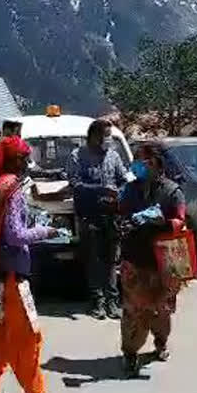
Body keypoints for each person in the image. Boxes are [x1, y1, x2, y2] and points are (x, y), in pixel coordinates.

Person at [0, 136, 72, 393]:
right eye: (25, 158)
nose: (28, 163)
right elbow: (15, 235)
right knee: (27, 338)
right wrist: (45, 232)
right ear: (15, 161)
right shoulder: (11, 188)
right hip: (13, 276)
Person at [118, 143, 187, 378]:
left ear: (156, 164)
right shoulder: (129, 189)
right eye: (135, 160)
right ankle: (129, 353)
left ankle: (160, 343)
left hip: (163, 261)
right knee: (132, 311)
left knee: (161, 309)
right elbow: (121, 213)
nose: (136, 165)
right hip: (134, 258)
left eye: (142, 161)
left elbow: (180, 221)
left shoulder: (172, 191)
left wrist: (162, 223)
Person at [67, 119, 129, 319]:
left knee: (111, 260)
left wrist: (118, 193)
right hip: (89, 215)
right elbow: (75, 184)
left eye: (110, 135)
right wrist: (99, 190)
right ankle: (97, 302)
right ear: (94, 136)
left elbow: (122, 180)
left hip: (111, 216)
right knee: (93, 259)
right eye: (106, 135)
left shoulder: (113, 156)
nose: (108, 140)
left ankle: (112, 301)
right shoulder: (78, 156)